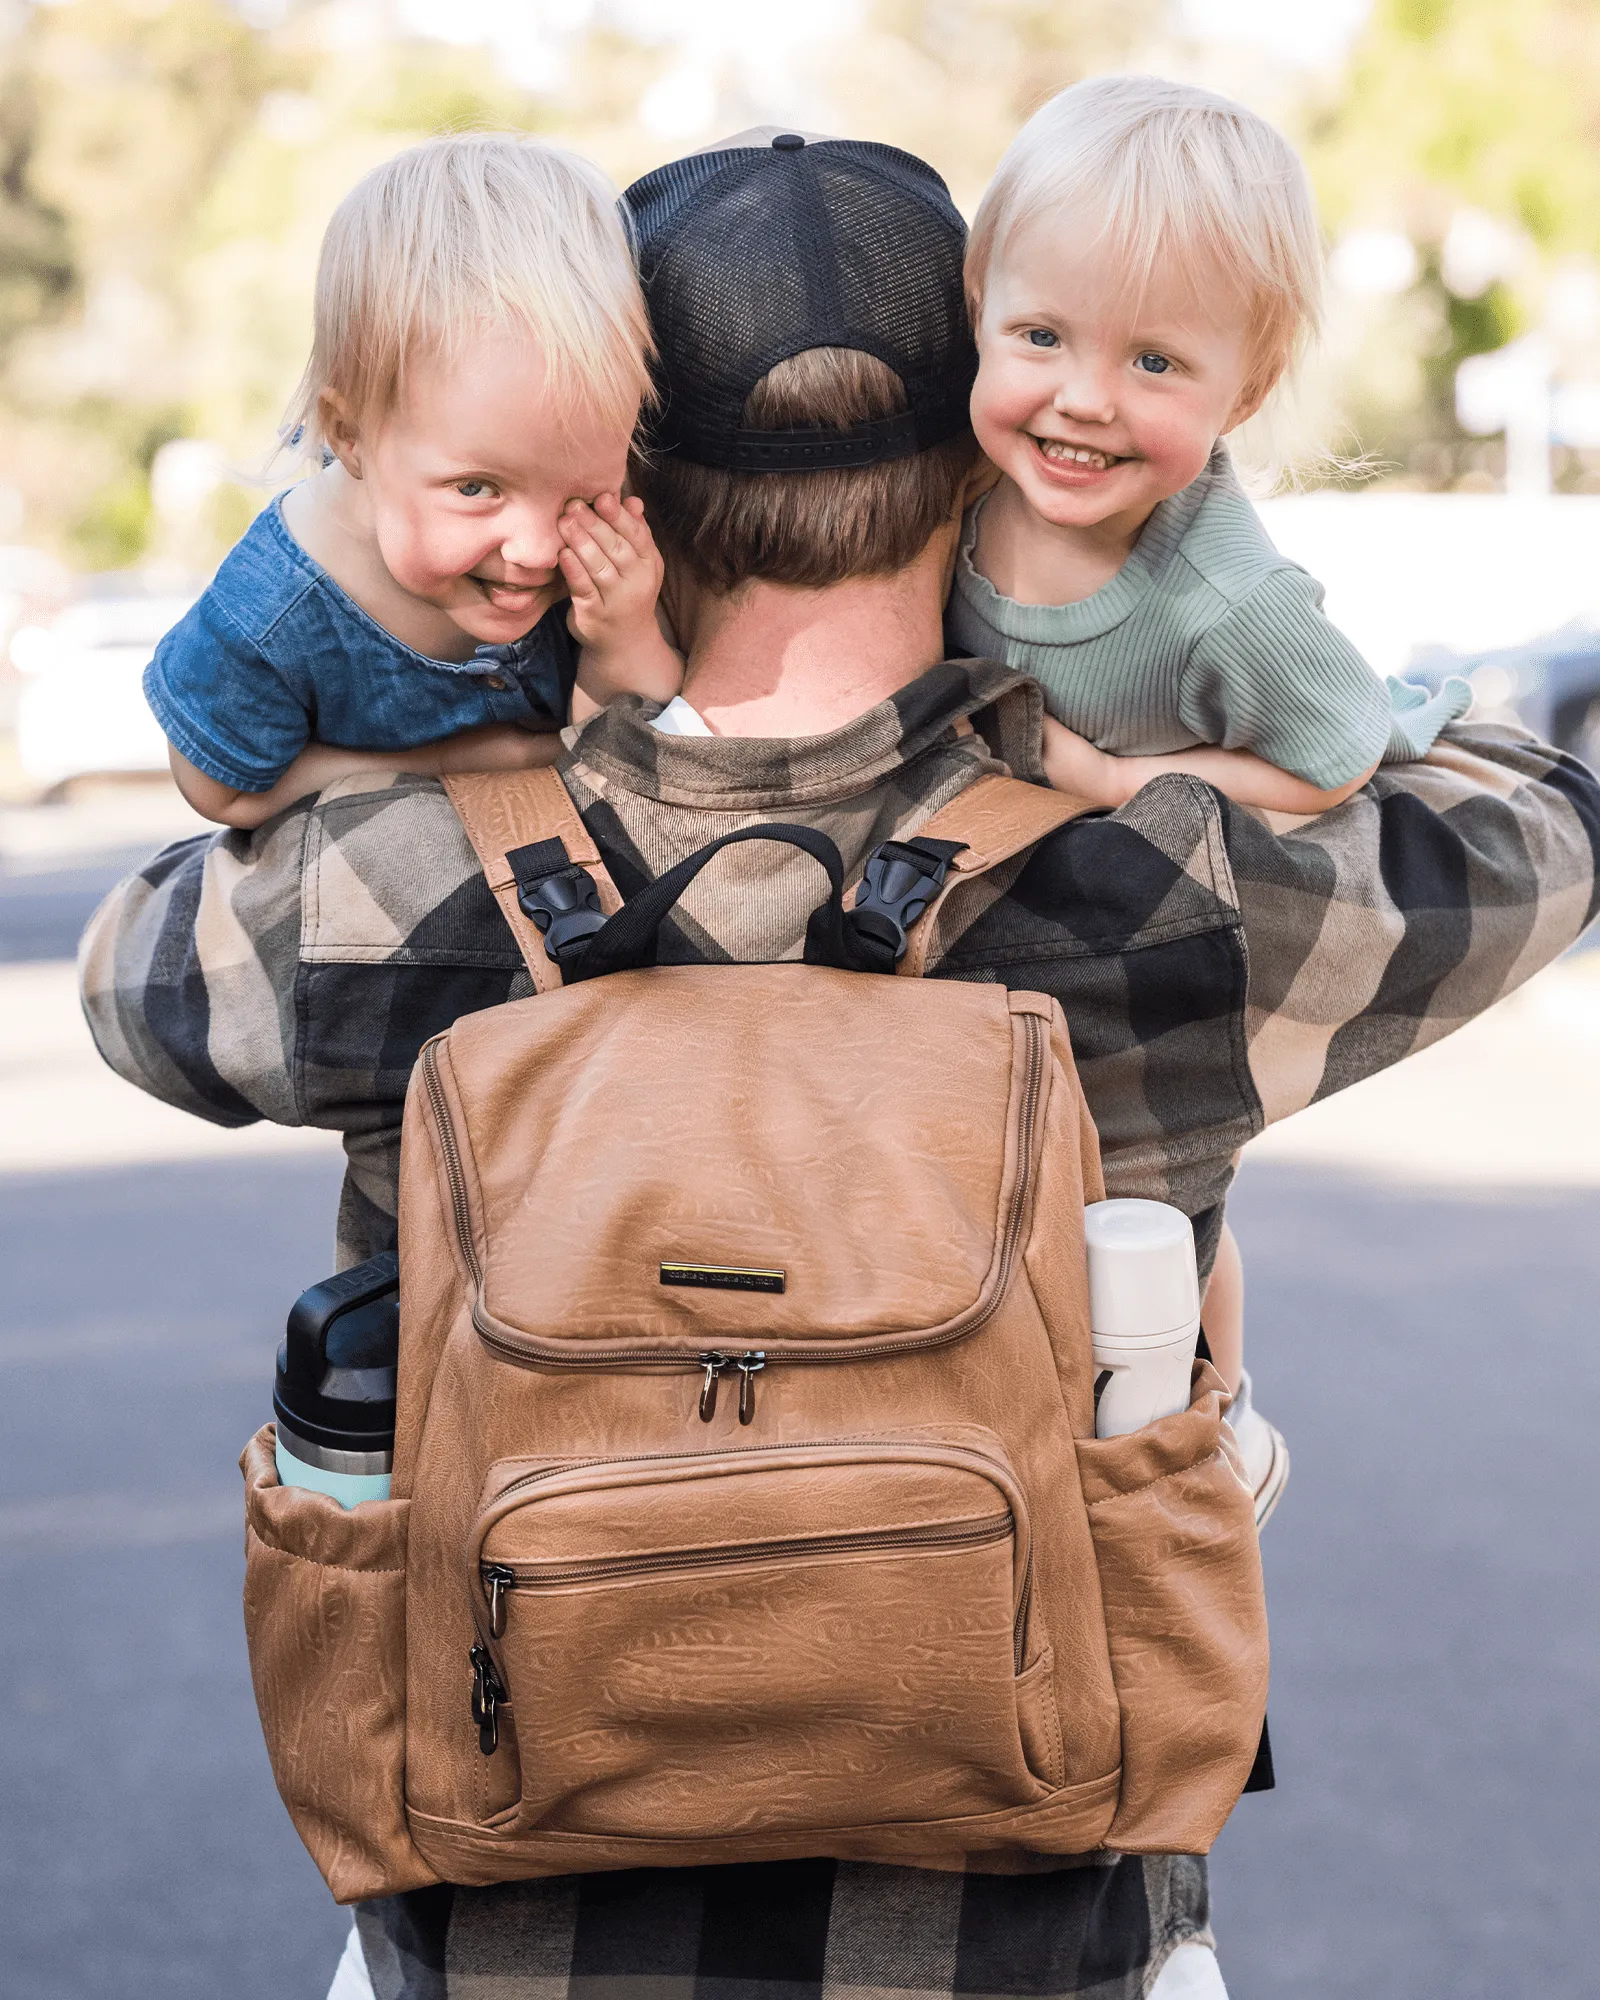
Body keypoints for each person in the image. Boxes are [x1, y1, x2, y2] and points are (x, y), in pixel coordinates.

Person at [83, 130, 1600, 2000]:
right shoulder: (1170, 881)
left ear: (620, 472)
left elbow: (130, 977)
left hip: (507, 1920)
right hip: (1024, 1928)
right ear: (982, 437)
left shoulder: (400, 886)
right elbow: (1549, 820)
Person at [952, 75, 1472, 1504]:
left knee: (1156, 1167)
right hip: (1015, 870)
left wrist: (1124, 777)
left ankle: (1219, 1413)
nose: (1082, 400)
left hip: (1201, 842)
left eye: (1157, 366)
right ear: (979, 306)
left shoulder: (1224, 595)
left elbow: (1332, 755)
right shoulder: (951, 485)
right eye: (1042, 335)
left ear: (1245, 388)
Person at [142, 133, 681, 833]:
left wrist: (622, 640)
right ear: (350, 435)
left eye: (581, 494)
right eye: (477, 488)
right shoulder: (271, 617)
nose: (538, 549)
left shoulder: (607, 554)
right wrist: (480, 757)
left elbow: (648, 751)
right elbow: (220, 792)